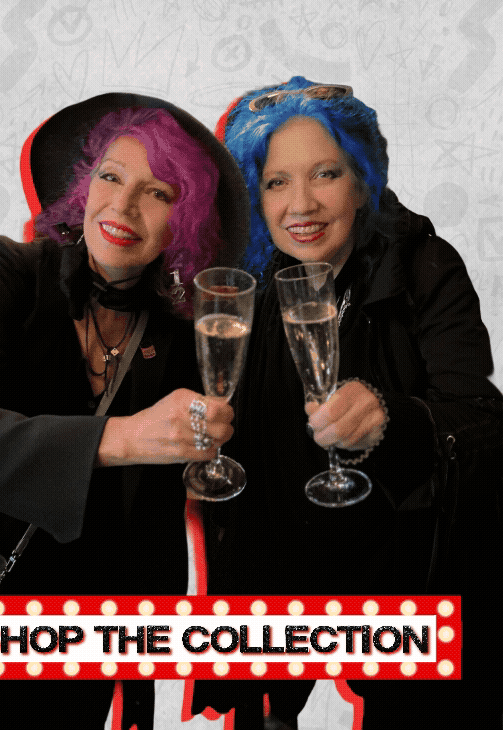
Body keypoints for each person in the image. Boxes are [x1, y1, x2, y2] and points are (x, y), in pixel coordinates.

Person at [0, 93, 249, 725]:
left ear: (184, 221)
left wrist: (135, 685)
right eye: (111, 177)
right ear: (84, 187)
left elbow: (150, 528)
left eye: (158, 192)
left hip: (74, 645)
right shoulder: (4, 270)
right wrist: (125, 437)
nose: (123, 205)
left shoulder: (178, 334)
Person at [193, 77, 503, 729]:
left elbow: (483, 426)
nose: (300, 204)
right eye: (276, 182)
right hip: (277, 577)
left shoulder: (424, 268)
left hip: (400, 576)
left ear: (363, 182)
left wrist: (395, 419)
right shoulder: (249, 282)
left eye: (326, 174)